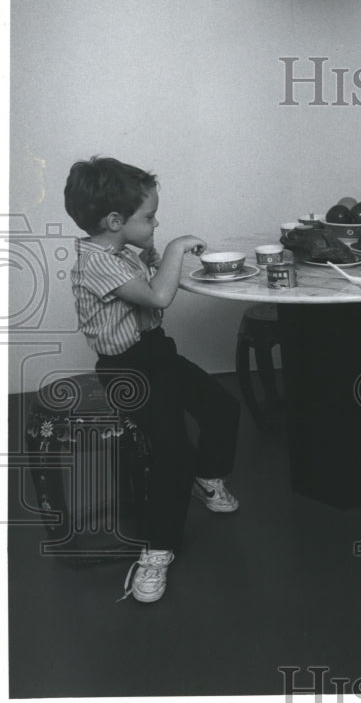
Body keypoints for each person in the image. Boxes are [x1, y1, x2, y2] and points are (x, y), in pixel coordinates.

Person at [65, 156, 241, 603]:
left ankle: (208, 477)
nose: (157, 222)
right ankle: (157, 550)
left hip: (156, 353)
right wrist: (176, 248)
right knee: (172, 450)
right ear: (114, 220)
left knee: (221, 407)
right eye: (150, 216)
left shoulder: (117, 252)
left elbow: (154, 291)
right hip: (126, 370)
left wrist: (157, 256)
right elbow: (161, 293)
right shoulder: (97, 264)